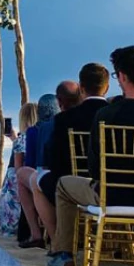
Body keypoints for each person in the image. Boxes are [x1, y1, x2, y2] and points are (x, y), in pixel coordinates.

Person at [48, 46, 134, 266]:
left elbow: (95, 167)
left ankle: (64, 255)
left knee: (63, 185)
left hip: (111, 196)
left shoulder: (107, 115)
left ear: (122, 76)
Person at [31, 64, 110, 247]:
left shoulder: (64, 119)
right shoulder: (115, 114)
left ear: (82, 87)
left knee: (37, 180)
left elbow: (54, 161)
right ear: (107, 87)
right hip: (114, 186)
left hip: (75, 184)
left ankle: (57, 243)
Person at [16, 92, 61, 248]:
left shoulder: (36, 130)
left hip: (48, 180)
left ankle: (36, 234)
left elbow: (31, 164)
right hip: (77, 181)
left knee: (23, 175)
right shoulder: (65, 123)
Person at [0, 102, 38, 236]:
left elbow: (17, 167)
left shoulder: (21, 140)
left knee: (11, 176)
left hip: (21, 181)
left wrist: (16, 140)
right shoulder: (40, 136)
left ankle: (10, 225)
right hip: (36, 176)